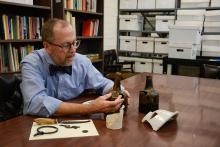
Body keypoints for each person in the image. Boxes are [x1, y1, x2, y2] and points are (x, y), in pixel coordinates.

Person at [20, 18, 131, 117]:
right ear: (47, 46)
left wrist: (119, 92)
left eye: (74, 43)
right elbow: (35, 102)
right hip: (37, 125)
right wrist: (90, 108)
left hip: (74, 124)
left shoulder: (82, 61)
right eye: (66, 45)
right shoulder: (32, 63)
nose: (73, 50)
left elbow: (103, 83)